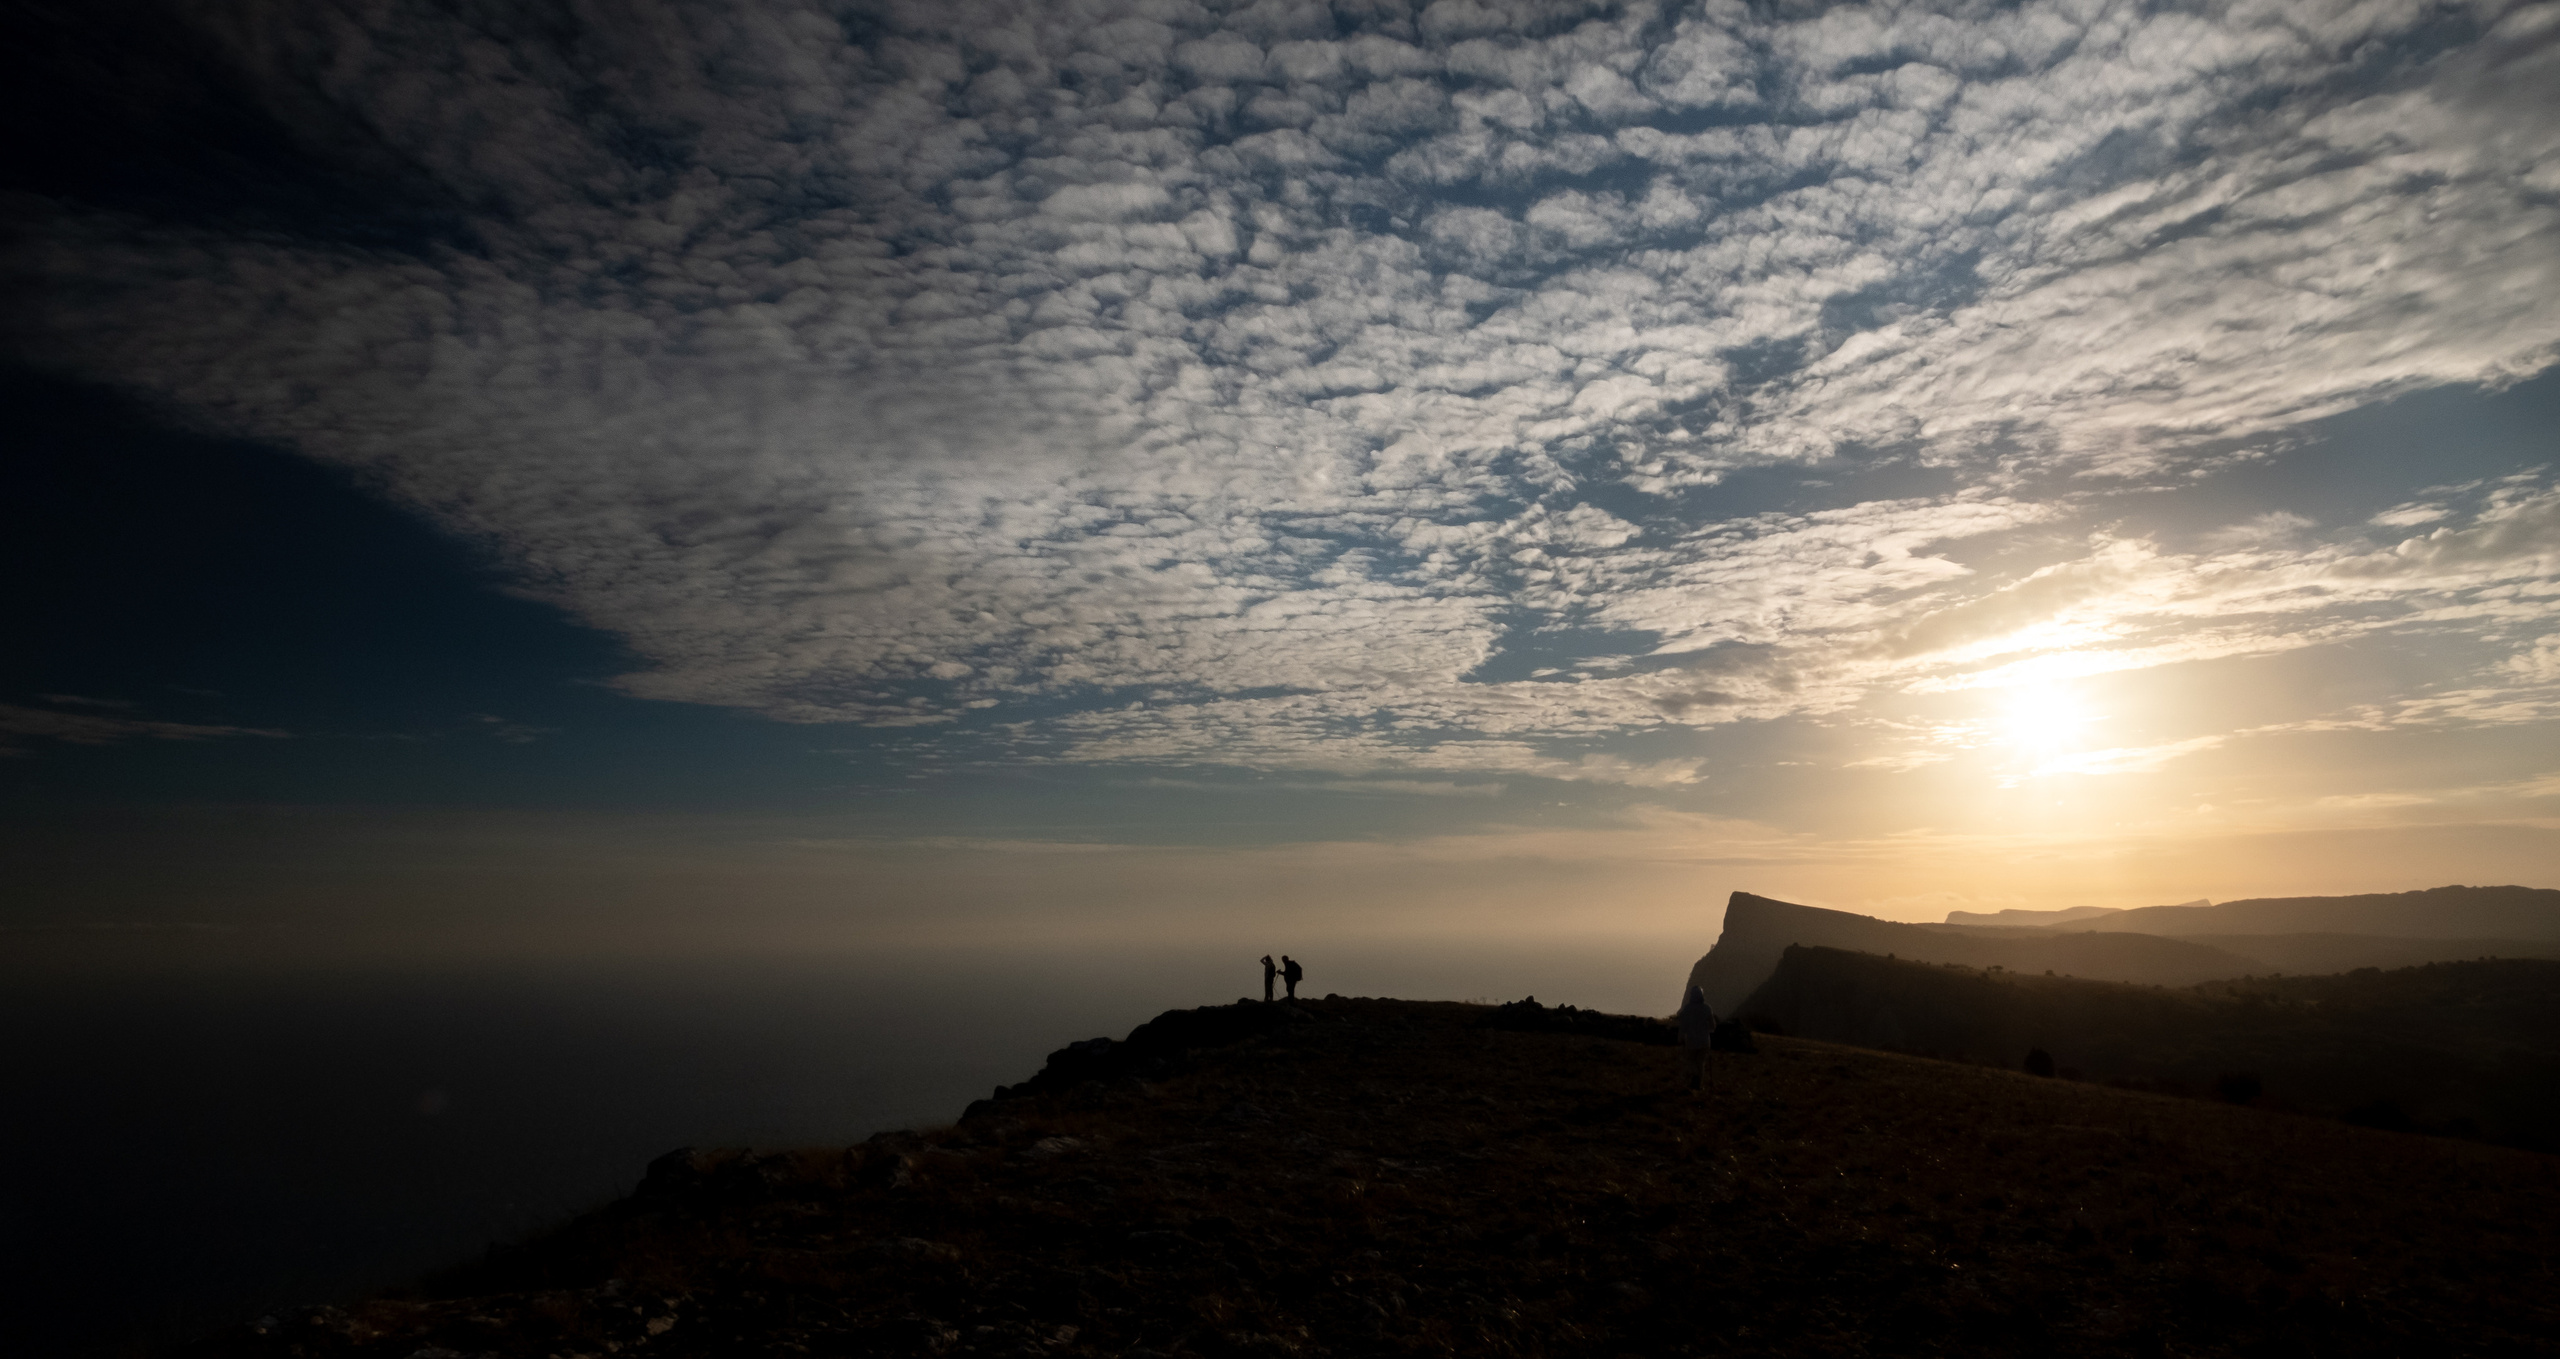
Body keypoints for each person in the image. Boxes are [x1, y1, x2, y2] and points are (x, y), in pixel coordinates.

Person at [1676, 984, 1716, 1092]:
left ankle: (1695, 1079)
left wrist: (1680, 1037)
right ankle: (1698, 1084)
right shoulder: (1707, 1008)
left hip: (1692, 1040)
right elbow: (1712, 1026)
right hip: (1704, 1041)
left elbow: (1683, 1025)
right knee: (1700, 1062)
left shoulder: (1687, 1009)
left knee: (1691, 1061)